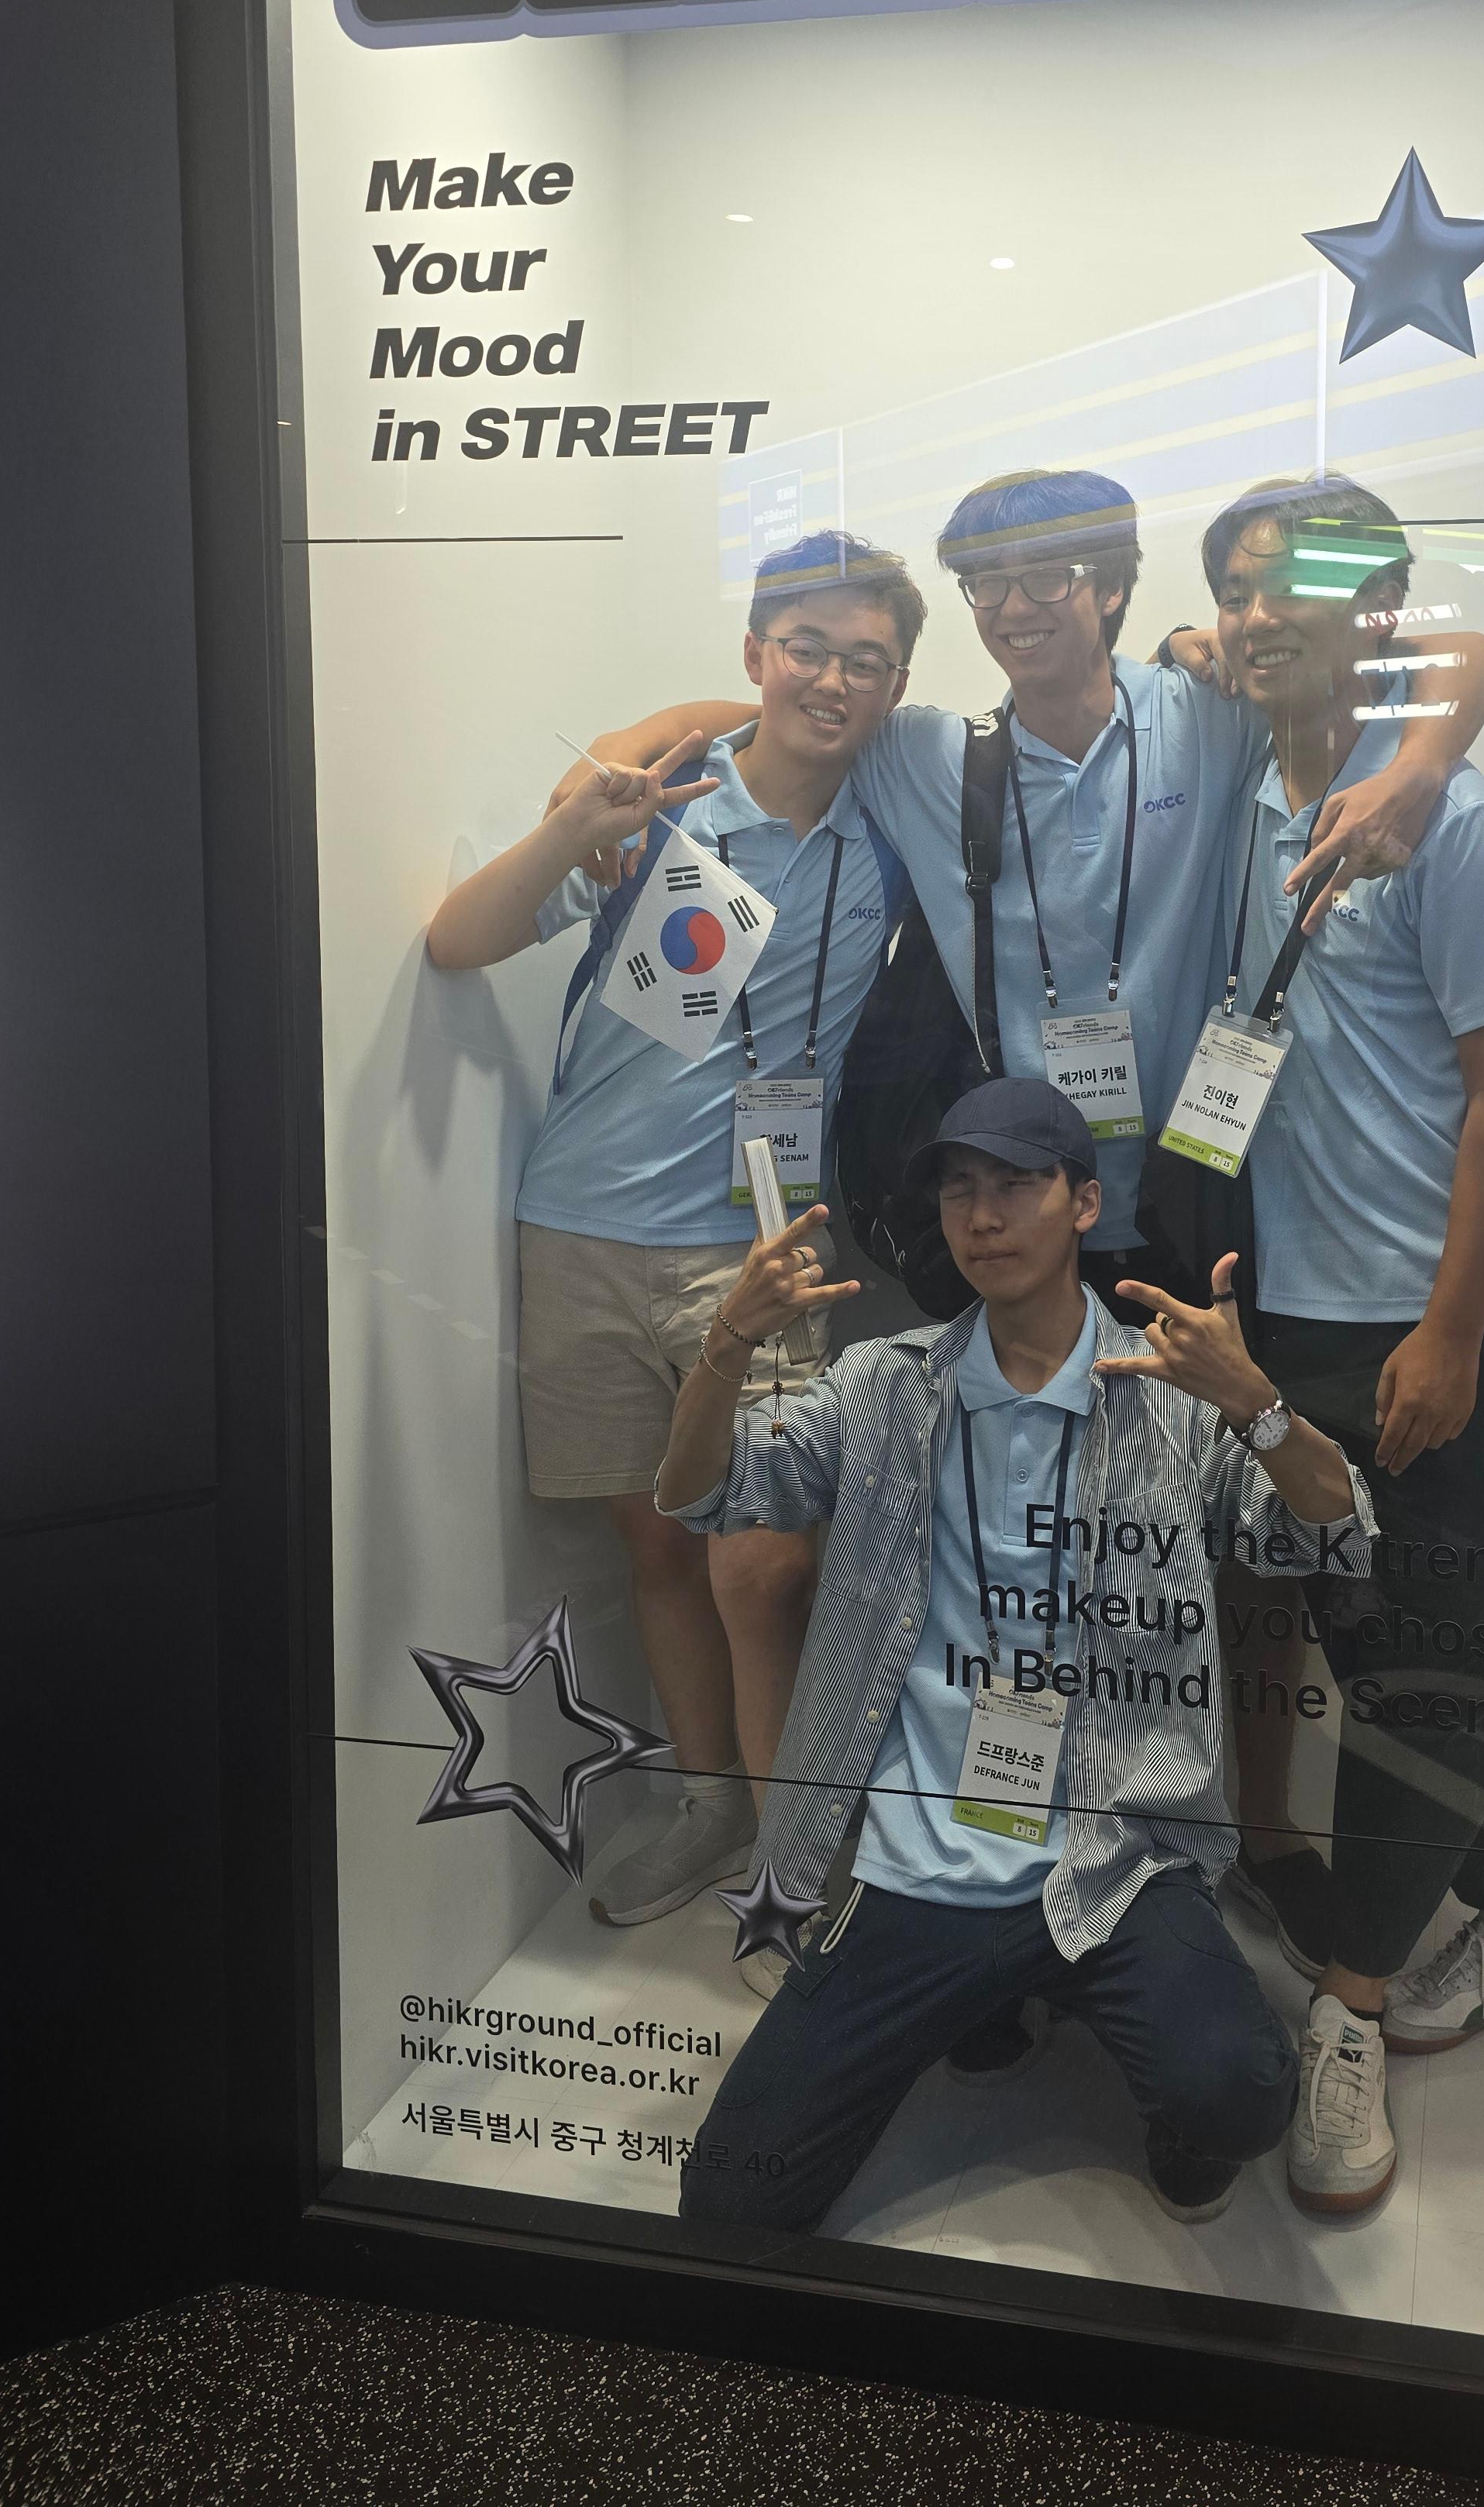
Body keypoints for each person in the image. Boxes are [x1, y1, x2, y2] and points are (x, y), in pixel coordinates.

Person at [650, 1075, 1375, 2233]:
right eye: (959, 1190)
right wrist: (730, 1342)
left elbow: (1334, 1533)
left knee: (1239, 2090)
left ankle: (1122, 2073)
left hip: (1115, 1852)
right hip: (925, 1861)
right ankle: (986, 2001)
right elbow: (701, 1493)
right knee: (730, 2202)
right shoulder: (886, 1385)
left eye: (1016, 1185)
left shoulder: (1170, 1392)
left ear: (1084, 1203)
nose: (982, 1216)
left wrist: (1257, 1405)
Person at [554, 468, 1484, 1297]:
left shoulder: (1206, 711)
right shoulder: (927, 755)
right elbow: (798, 707)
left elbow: (1463, 652)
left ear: (1114, 586)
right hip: (1013, 1216)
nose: (1014, 607)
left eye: (1047, 575)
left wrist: (1420, 769)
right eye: (987, 582)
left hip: (1190, 1201)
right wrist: (627, 743)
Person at [425, 531, 921, 1935]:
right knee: (655, 1550)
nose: (834, 680)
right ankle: (712, 1808)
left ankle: (797, 1862)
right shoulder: (661, 816)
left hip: (756, 1248)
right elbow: (459, 941)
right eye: (806, 648)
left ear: (897, 686)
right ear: (758, 651)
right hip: (577, 1229)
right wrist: (578, 818)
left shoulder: (895, 827)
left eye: (867, 661)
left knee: (763, 1561)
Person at [1189, 474, 1484, 2219]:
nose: (1261, 608)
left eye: (1300, 581)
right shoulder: (1245, 789)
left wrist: (1450, 1330)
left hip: (1464, 1321)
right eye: (1240, 584)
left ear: (1384, 604)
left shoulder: (1461, 824)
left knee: (1428, 1670)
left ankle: (1349, 2010)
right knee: (1424, 1655)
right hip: (1308, 1306)